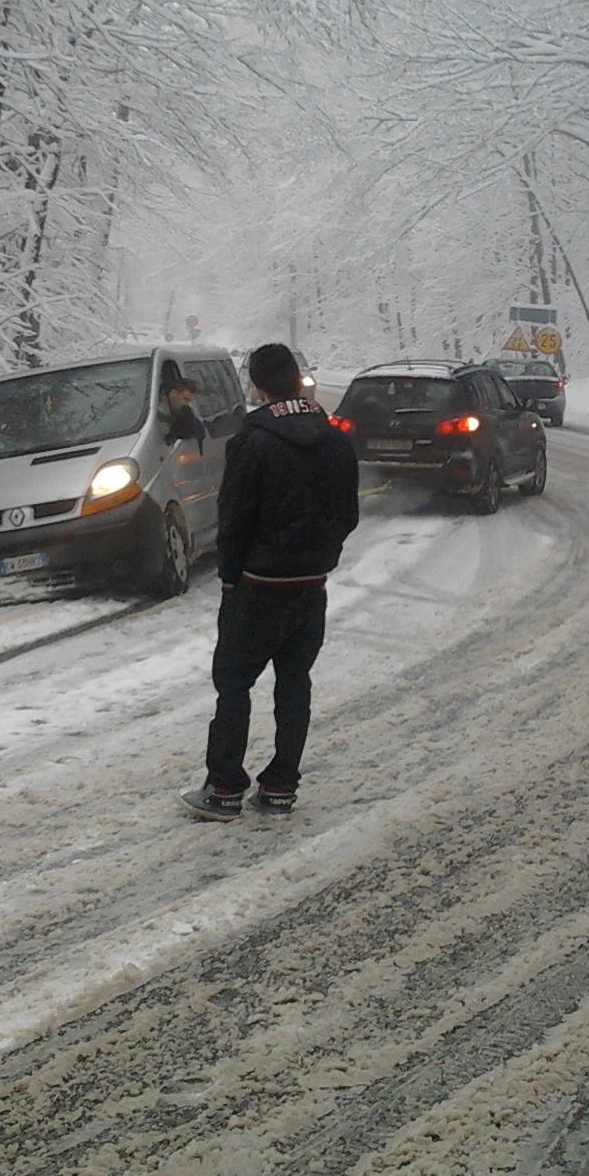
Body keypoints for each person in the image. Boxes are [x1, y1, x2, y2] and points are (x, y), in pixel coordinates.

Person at [181, 343, 359, 821]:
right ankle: (281, 785)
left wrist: (230, 575)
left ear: (256, 386)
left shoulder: (251, 441)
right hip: (311, 584)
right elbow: (348, 514)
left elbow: (234, 517)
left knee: (234, 683)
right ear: (296, 377)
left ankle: (223, 789)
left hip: (258, 585)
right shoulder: (336, 439)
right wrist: (321, 555)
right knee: (294, 681)